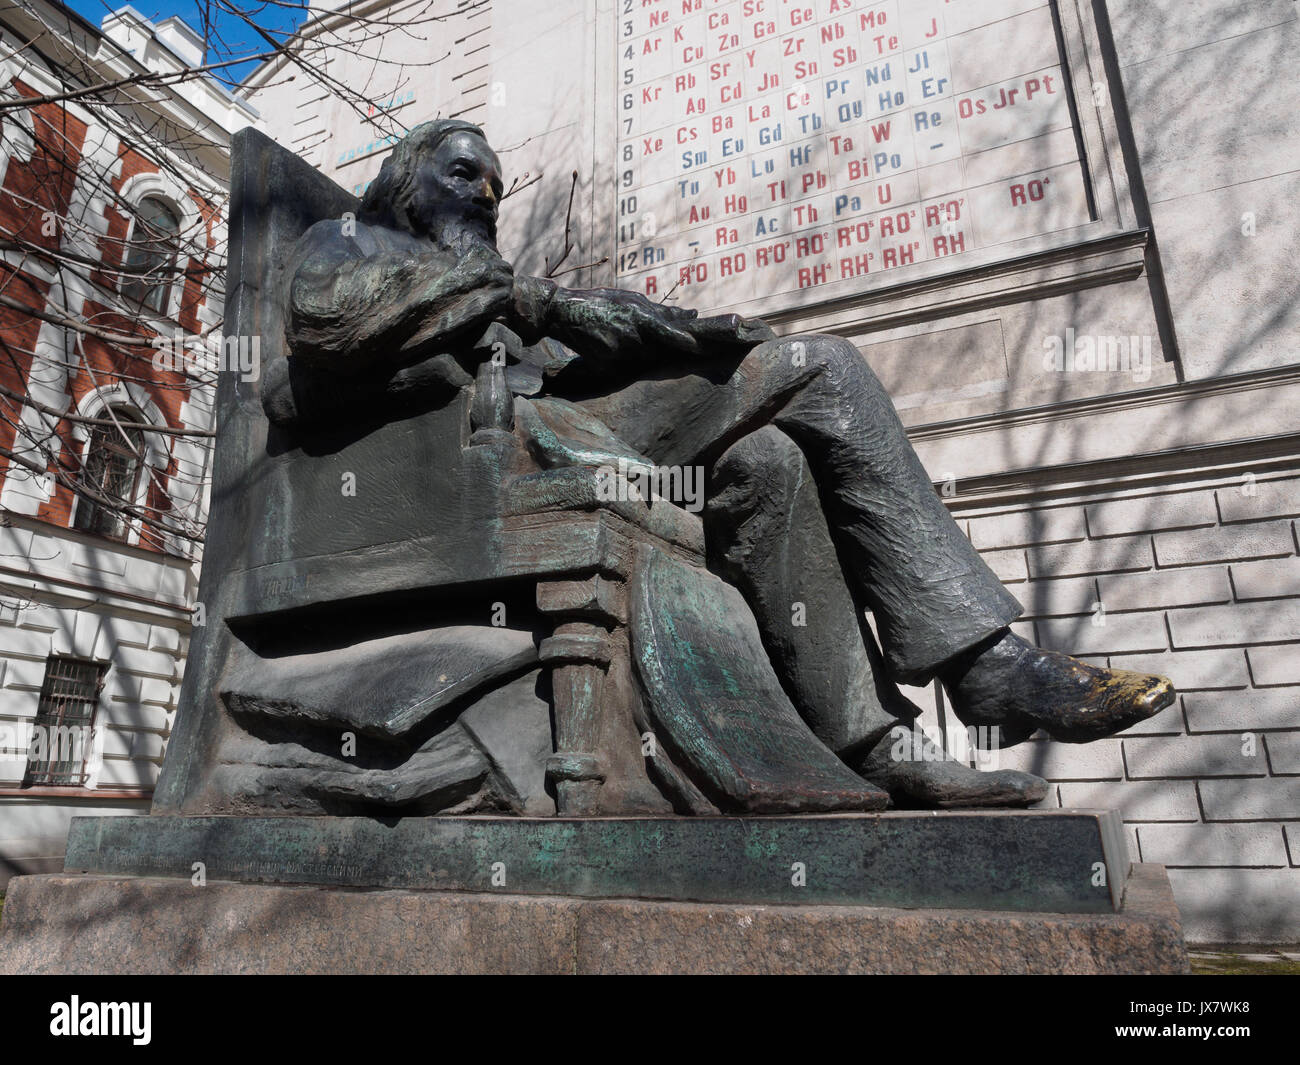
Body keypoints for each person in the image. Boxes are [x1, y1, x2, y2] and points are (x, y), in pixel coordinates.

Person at [279, 119, 1175, 807]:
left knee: (769, 460)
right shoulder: (348, 241)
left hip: (572, 426)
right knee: (819, 368)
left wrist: (646, 330)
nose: (485, 194)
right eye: (463, 174)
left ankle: (876, 745)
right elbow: (328, 324)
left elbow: (555, 353)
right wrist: (533, 298)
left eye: (496, 185)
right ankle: (981, 665)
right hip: (473, 462)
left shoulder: (484, 279)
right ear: (405, 180)